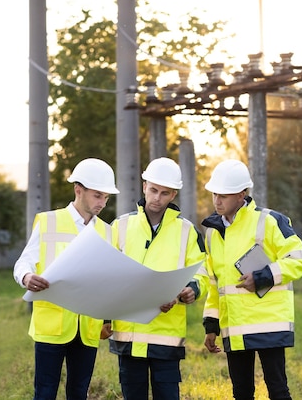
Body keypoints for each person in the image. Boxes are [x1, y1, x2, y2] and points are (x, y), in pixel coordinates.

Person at [13, 157, 120, 400]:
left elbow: (110, 279)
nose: (102, 202)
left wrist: (107, 318)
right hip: (52, 324)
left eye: (106, 197)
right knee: (45, 392)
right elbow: (23, 262)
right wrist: (27, 277)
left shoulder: (107, 232)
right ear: (78, 190)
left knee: (79, 393)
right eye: (97, 195)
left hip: (88, 328)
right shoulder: (48, 221)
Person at [201, 159, 302, 400]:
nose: (217, 200)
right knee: (241, 393)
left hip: (268, 323)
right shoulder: (212, 234)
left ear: (242, 194)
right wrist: (211, 325)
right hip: (235, 327)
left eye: (224, 195)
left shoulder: (269, 221)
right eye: (214, 194)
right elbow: (215, 284)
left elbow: (298, 259)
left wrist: (262, 277)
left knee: (278, 390)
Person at [108, 157, 207, 400]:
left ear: (173, 194)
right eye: (153, 190)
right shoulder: (120, 226)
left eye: (164, 193)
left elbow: (202, 273)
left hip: (166, 336)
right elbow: (105, 275)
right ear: (144, 186)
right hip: (128, 335)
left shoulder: (187, 231)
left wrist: (191, 290)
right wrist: (104, 319)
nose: (156, 198)